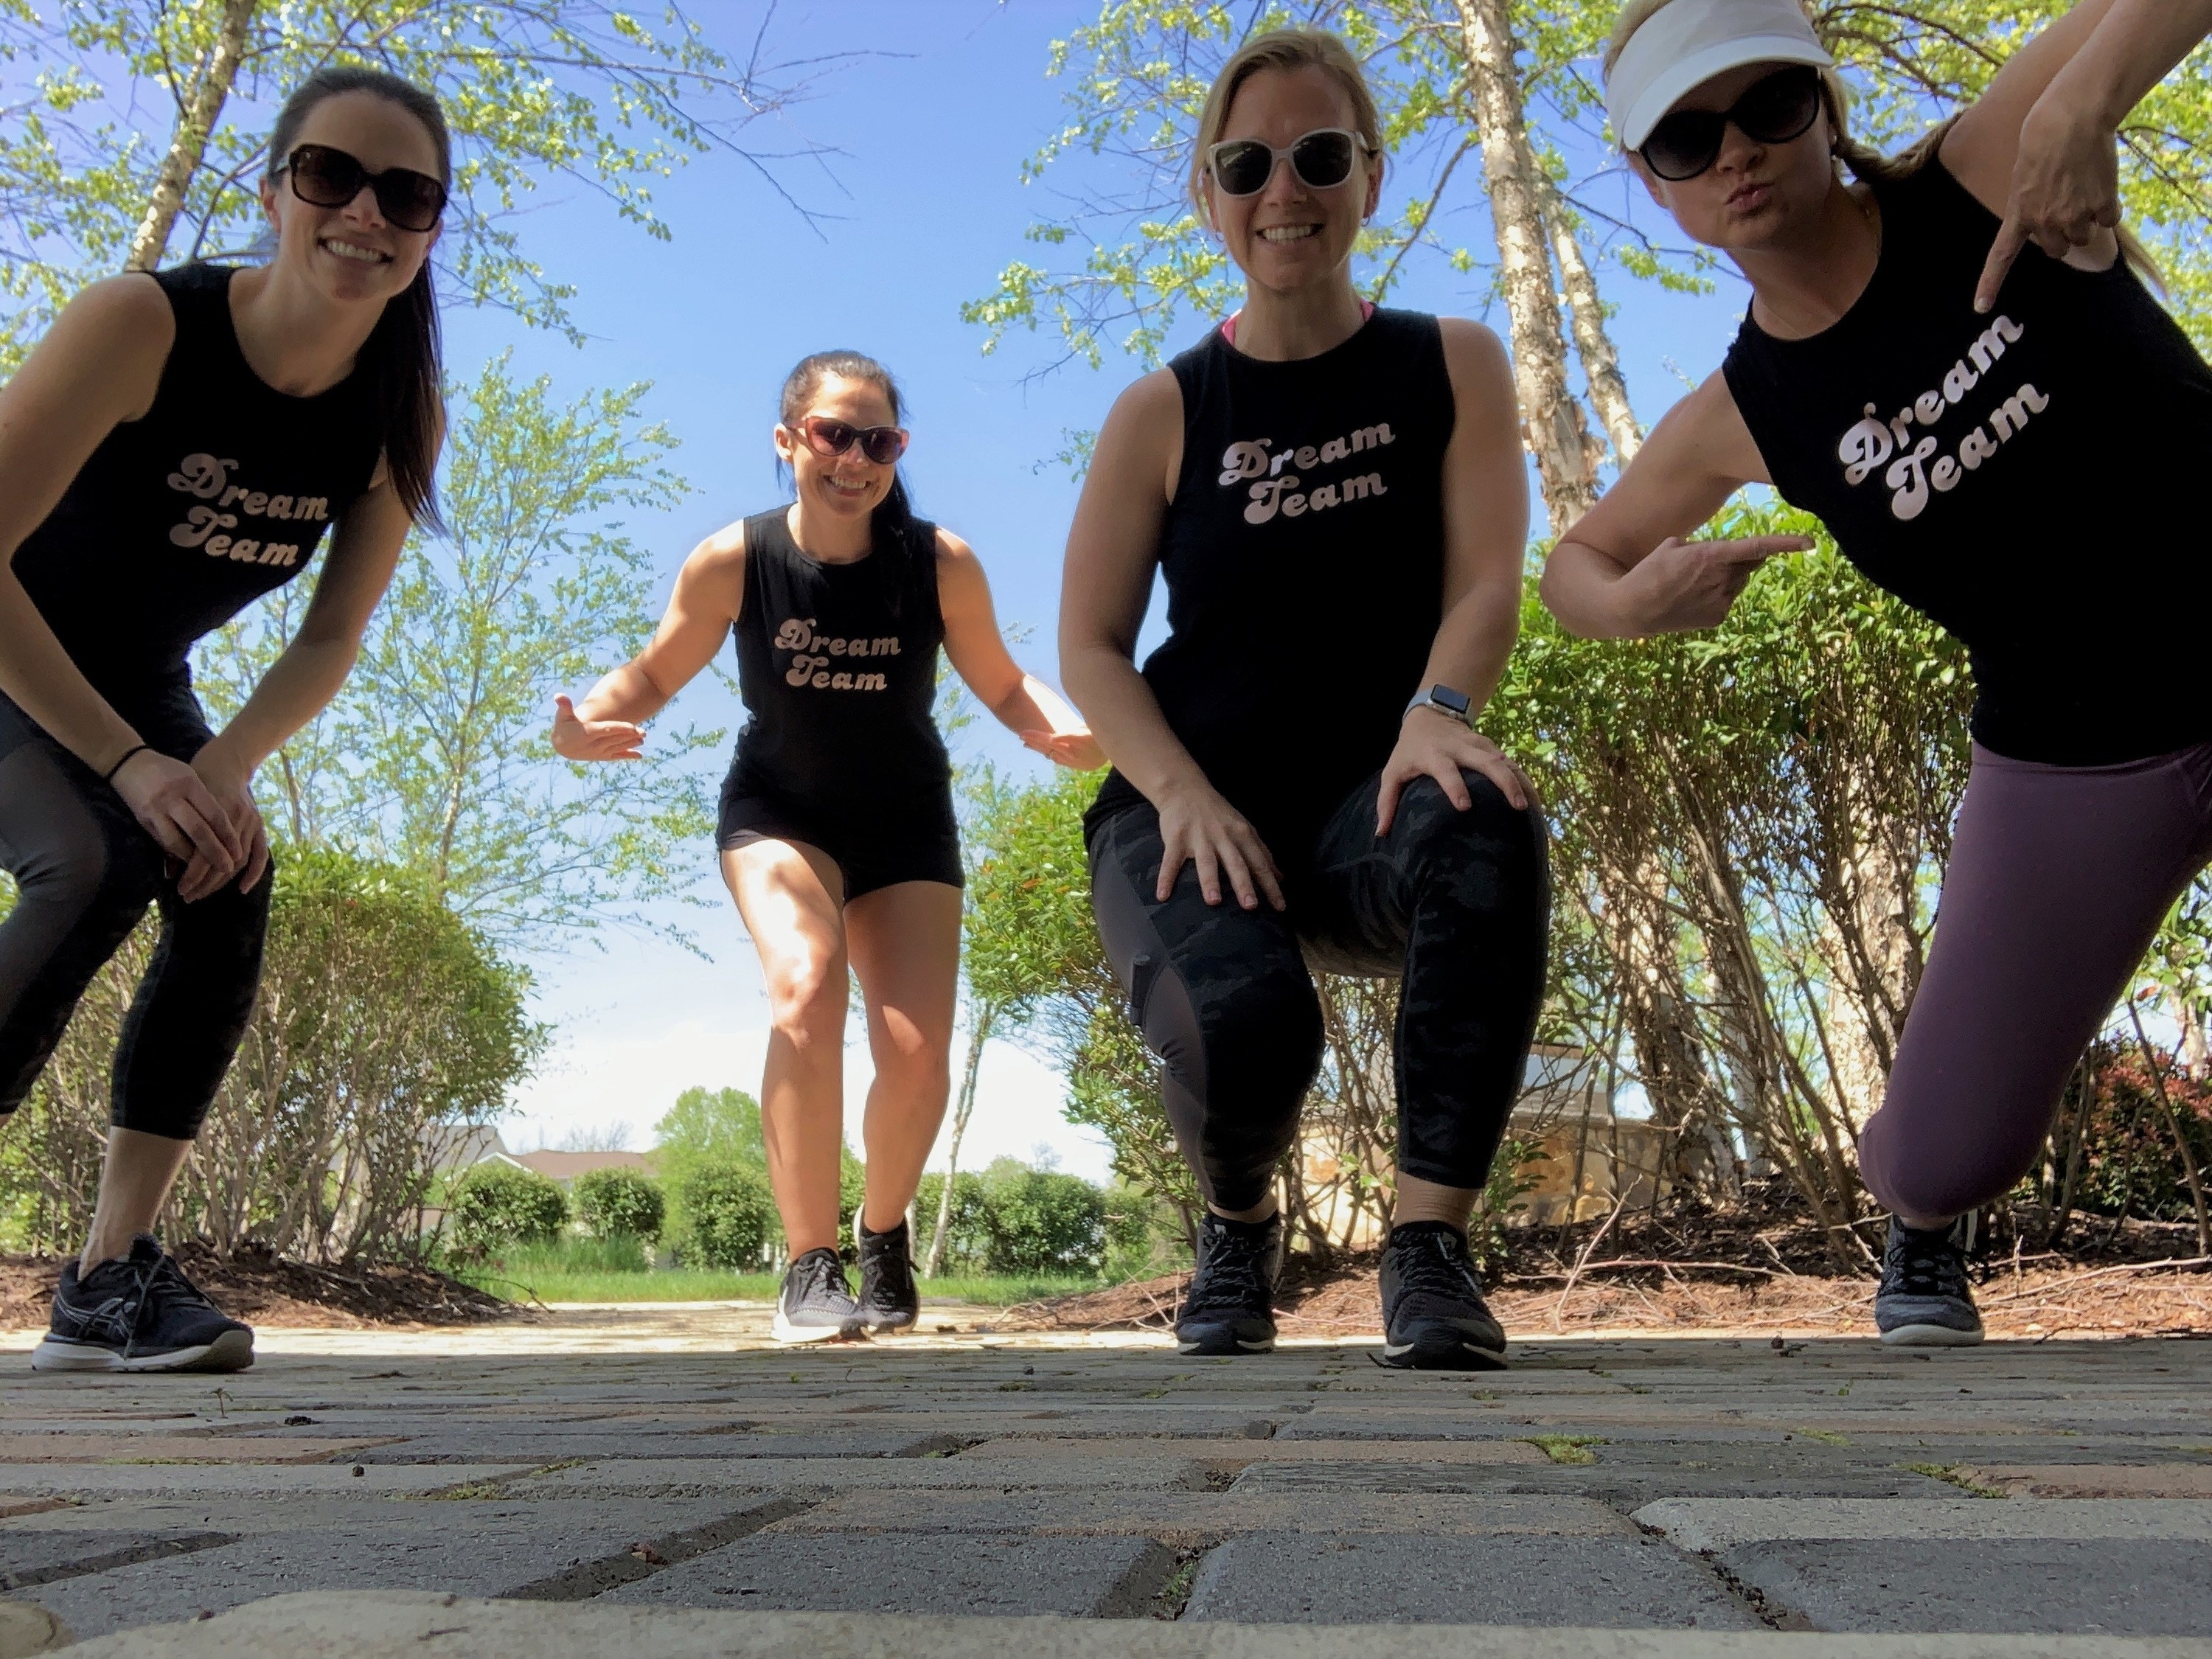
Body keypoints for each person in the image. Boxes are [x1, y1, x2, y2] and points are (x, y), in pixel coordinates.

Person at [1543, 0, 2212, 1344]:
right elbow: (1576, 564)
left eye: (1766, 107)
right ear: (1654, 181)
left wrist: (2084, 105)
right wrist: (1635, 605)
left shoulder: (1980, 169)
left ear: (1823, 103)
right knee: (1936, 1153)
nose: (1735, 150)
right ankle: (1921, 1239)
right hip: (2077, 755)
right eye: (1686, 135)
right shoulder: (1744, 412)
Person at [1059, 29, 1551, 1369]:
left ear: (1372, 176)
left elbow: (1488, 578)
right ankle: (1236, 1225)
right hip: (1187, 808)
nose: (1287, 189)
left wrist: (1442, 705)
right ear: (1211, 195)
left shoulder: (1452, 360)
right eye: (1248, 163)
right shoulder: (1161, 409)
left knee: (1485, 819)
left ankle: (1429, 1247)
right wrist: (1179, 793)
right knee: (1255, 1029)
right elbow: (1093, 646)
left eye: (1320, 156)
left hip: (1361, 809)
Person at [0, 67, 453, 1371]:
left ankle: (98, 1284)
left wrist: (222, 770)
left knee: (223, 870)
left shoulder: (395, 408)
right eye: (330, 174)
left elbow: (329, 638)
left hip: (141, 679)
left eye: (406, 193)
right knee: (89, 861)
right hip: (9, 646)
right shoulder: (141, 325)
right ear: (272, 192)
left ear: (429, 232)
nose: (365, 210)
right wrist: (132, 764)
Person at [554, 350, 1102, 1343]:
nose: (854, 458)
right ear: (788, 439)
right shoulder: (737, 559)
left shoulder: (941, 563)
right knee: (807, 985)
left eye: (876, 440)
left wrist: (1059, 729)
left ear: (900, 449)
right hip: (778, 811)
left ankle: (880, 1232)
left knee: (918, 1053)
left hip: (905, 819)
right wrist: (583, 719)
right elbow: (651, 672)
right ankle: (810, 1267)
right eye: (832, 435)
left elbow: (1007, 683)